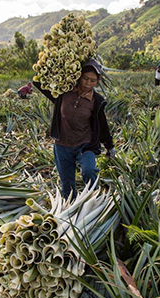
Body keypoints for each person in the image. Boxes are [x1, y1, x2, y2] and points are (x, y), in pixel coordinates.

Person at [33, 59, 115, 200]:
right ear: (79, 76)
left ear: (97, 82)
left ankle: (94, 201)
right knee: (67, 185)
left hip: (85, 144)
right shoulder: (63, 92)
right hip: (62, 145)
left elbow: (102, 125)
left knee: (89, 171)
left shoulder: (97, 101)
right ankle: (71, 210)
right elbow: (38, 82)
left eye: (93, 81)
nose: (88, 84)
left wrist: (110, 146)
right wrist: (52, 66)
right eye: (85, 78)